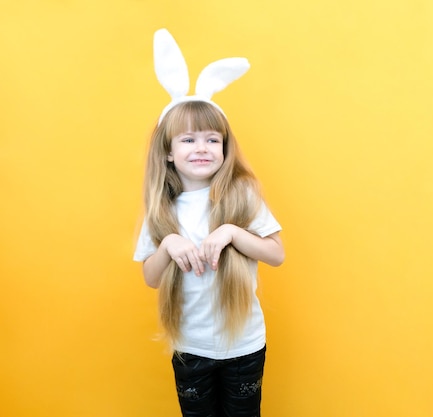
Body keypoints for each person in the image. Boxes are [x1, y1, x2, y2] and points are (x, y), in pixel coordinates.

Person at [133, 29, 284, 417]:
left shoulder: (243, 195)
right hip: (191, 347)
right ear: (167, 152)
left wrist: (232, 232)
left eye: (212, 140)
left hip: (244, 345)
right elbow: (151, 278)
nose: (201, 148)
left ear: (224, 149)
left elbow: (276, 254)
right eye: (187, 140)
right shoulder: (160, 209)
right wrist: (168, 245)